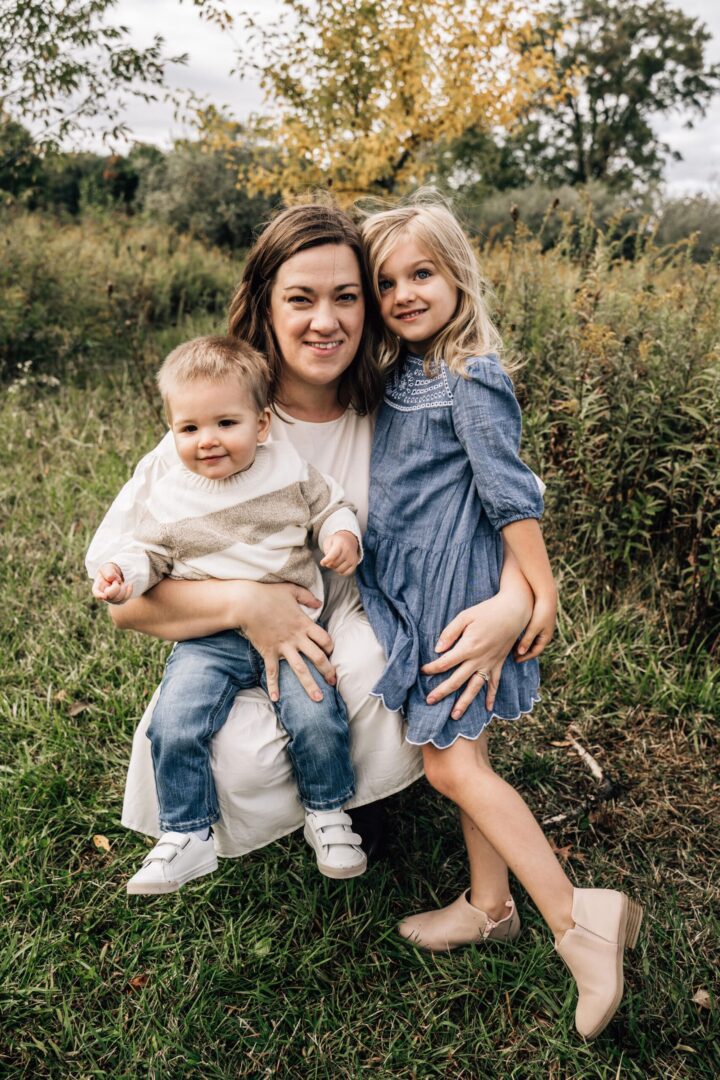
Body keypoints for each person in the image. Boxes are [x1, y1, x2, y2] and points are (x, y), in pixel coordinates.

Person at [86, 200, 536, 903]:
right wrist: (248, 603)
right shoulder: (219, 429)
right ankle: (265, 810)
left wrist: (514, 601)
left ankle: (362, 796)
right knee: (230, 755)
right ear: (264, 306)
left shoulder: (400, 406)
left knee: (372, 665)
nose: (325, 321)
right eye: (300, 298)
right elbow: (127, 609)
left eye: (347, 297)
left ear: (370, 307)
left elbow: (498, 498)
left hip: (366, 626)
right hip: (233, 638)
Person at [357, 196, 643, 1040]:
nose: (405, 293)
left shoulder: (469, 372)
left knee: (449, 766)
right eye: (387, 282)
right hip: (418, 584)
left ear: (458, 277)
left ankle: (575, 923)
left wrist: (538, 588)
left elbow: (508, 490)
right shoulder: (405, 371)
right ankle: (489, 907)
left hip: (457, 591)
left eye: (423, 274)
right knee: (458, 749)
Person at [90, 335, 367, 892]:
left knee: (315, 713)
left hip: (293, 629)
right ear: (172, 433)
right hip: (210, 636)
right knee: (175, 721)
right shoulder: (171, 496)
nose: (207, 441)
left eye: (225, 424)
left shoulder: (287, 469)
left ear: (261, 425)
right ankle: (186, 834)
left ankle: (328, 813)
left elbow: (331, 505)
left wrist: (342, 535)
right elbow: (148, 552)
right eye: (189, 429)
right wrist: (125, 575)